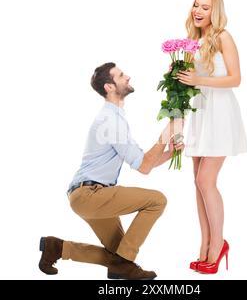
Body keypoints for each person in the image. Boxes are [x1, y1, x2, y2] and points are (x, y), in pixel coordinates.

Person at [38, 62, 184, 280]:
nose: (128, 77)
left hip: (87, 195)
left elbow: (143, 161)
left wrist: (169, 154)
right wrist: (167, 132)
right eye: (121, 75)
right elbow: (144, 167)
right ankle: (123, 265)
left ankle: (57, 248)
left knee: (118, 256)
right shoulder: (111, 121)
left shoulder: (116, 118)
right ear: (109, 86)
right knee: (157, 201)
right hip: (91, 195)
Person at [176, 0, 247, 274]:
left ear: (214, 11)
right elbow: (189, 83)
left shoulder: (222, 37)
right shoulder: (194, 40)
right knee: (197, 181)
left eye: (205, 7)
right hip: (199, 113)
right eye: (196, 5)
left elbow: (236, 78)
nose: (198, 11)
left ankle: (218, 245)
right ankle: (205, 244)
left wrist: (199, 79)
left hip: (220, 114)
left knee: (206, 181)